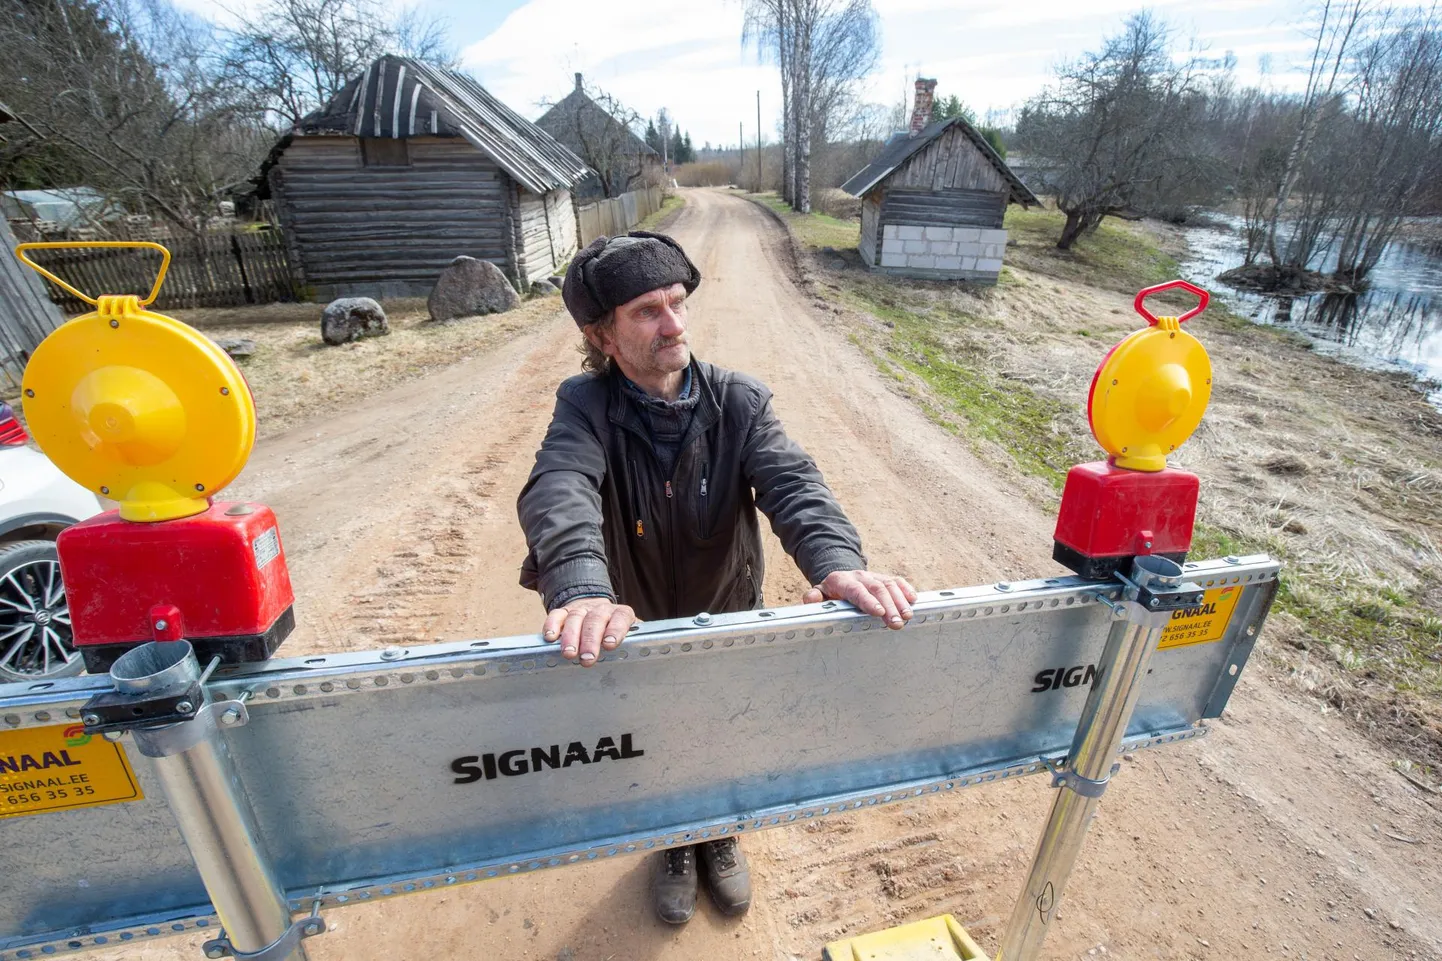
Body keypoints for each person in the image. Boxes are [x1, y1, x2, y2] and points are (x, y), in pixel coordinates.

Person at [516, 230, 917, 926]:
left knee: (725, 729)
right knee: (650, 733)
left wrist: (838, 564)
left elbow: (796, 486)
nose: (674, 324)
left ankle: (717, 829)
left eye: (676, 303)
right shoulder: (584, 407)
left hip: (726, 615)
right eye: (646, 311)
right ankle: (672, 838)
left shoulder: (740, 401)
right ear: (602, 334)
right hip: (635, 627)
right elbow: (559, 487)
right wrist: (581, 585)